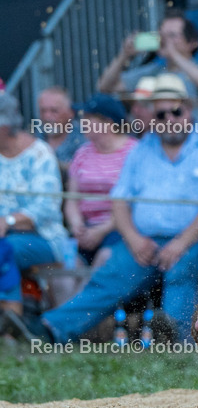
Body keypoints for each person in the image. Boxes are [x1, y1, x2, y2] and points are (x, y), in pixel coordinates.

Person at [41, 74, 198, 343]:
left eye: (176, 111)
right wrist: (134, 239)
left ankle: (179, 342)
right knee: (111, 277)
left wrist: (180, 243)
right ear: (153, 117)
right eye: (161, 114)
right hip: (143, 240)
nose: (169, 119)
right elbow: (119, 202)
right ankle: (50, 329)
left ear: (189, 110)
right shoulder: (141, 149)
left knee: (181, 272)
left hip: (192, 239)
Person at [0, 93, 68, 317]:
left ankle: (11, 322)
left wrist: (9, 221)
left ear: (5, 126)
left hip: (43, 238)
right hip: (6, 238)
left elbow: (46, 206)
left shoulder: (39, 154)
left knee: (3, 249)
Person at [97, 11, 198, 117]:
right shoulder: (153, 71)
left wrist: (174, 55)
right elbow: (106, 87)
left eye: (172, 35)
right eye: (161, 35)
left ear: (192, 43)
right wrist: (124, 55)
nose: (164, 41)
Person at [65, 94, 139, 268]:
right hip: (86, 229)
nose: (82, 122)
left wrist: (101, 230)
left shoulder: (134, 151)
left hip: (119, 229)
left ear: (108, 122)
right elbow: (71, 198)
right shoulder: (82, 153)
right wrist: (77, 225)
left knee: (103, 260)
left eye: (88, 118)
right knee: (67, 267)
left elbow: (134, 203)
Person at [36, 86, 86, 169]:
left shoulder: (84, 138)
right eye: (43, 111)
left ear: (70, 113)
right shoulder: (34, 139)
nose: (47, 116)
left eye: (54, 111)